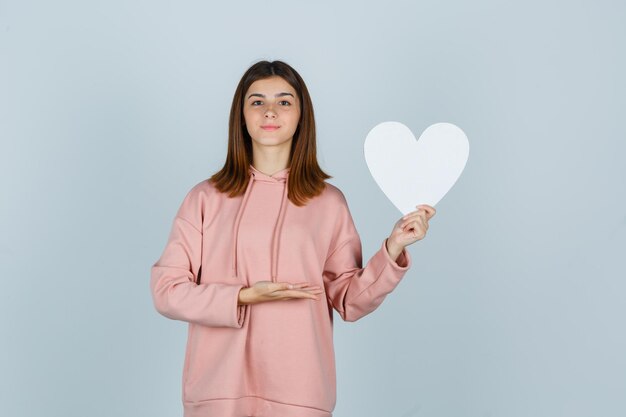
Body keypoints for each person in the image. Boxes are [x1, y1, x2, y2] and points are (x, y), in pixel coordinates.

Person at [150, 59, 436, 417]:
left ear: (302, 115)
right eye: (257, 101)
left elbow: (350, 300)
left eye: (284, 101)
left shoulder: (328, 203)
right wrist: (242, 296)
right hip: (216, 393)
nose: (270, 111)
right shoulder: (205, 198)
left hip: (301, 394)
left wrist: (393, 248)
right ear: (241, 115)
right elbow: (167, 290)